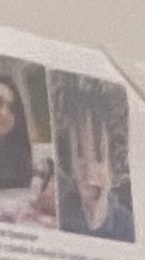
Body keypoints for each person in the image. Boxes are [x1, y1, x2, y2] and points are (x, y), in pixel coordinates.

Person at [53, 80, 135, 243]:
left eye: (99, 157)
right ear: (69, 165)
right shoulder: (61, 216)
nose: (89, 172)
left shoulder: (127, 227)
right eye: (80, 156)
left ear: (114, 165)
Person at [0, 67, 51, 225]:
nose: (4, 113)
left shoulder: (20, 150)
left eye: (12, 108)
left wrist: (39, 177)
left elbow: (46, 163)